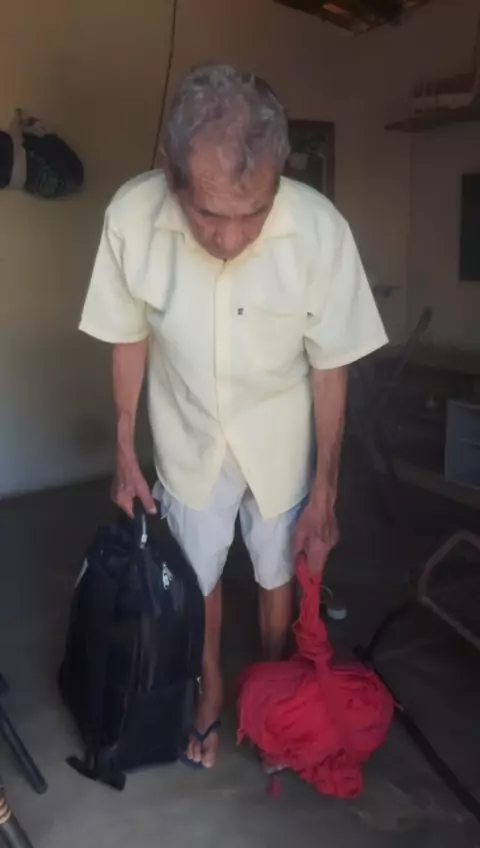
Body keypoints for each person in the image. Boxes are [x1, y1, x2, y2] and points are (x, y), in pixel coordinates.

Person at [80, 63, 387, 771]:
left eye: (253, 214)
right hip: (188, 426)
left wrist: (326, 486)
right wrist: (124, 448)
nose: (230, 238)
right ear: (170, 172)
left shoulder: (319, 230)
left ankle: (270, 692)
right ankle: (211, 687)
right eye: (209, 215)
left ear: (280, 174)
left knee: (280, 567)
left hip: (278, 430)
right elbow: (127, 333)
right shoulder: (131, 219)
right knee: (199, 571)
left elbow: (330, 363)